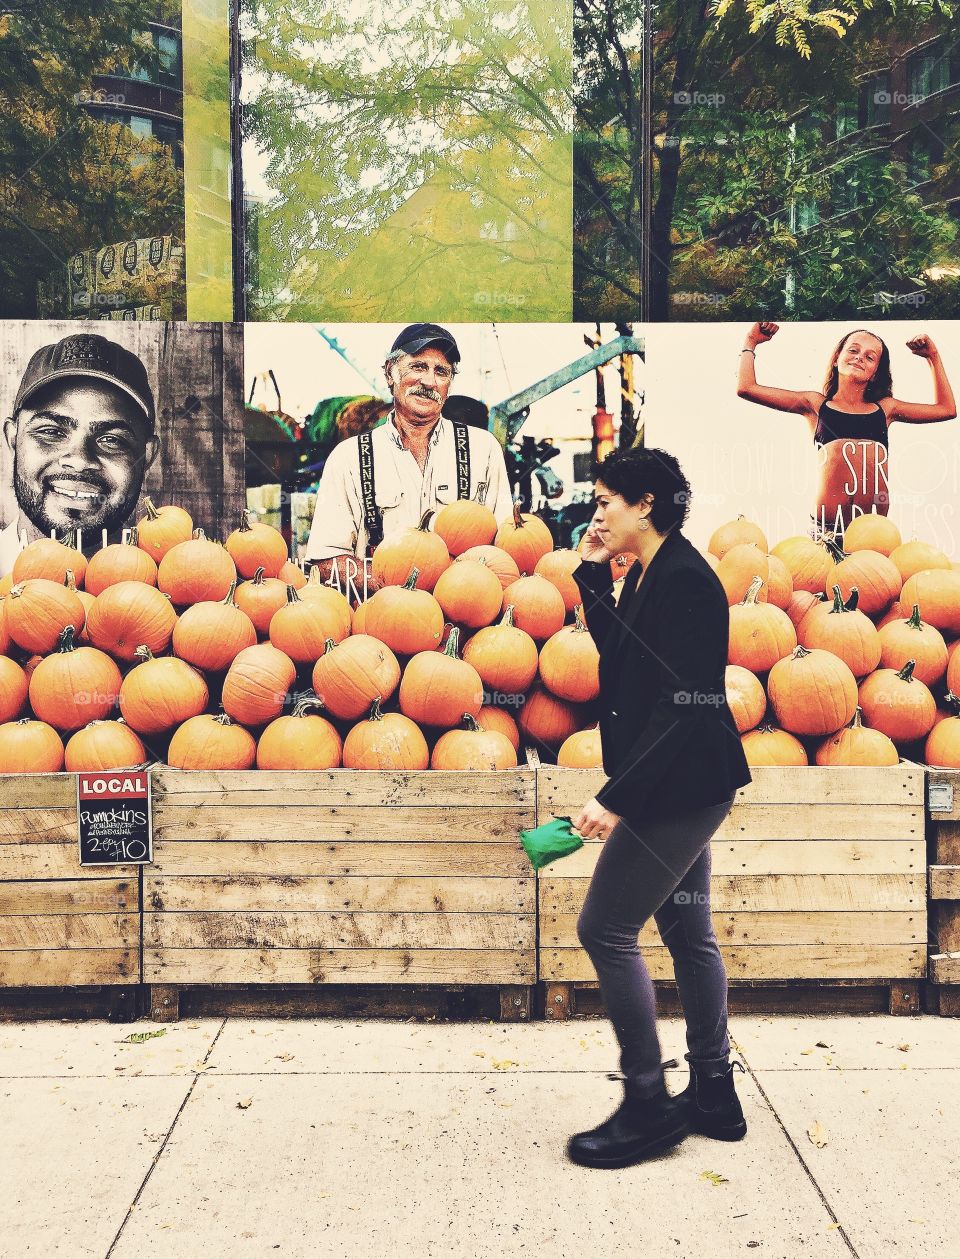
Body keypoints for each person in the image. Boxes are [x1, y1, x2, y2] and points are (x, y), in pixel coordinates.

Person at [566, 445, 753, 1170]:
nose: (598, 511)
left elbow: (683, 708)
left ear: (646, 503)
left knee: (605, 928)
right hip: (679, 781)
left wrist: (615, 797)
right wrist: (591, 577)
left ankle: (647, 1103)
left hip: (680, 784)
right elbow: (625, 656)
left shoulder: (688, 582)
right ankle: (714, 1093)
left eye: (607, 499)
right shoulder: (648, 570)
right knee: (688, 932)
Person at [304, 324, 513, 573]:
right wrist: (401, 587)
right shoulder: (349, 459)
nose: (429, 381)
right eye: (418, 366)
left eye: (441, 372)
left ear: (450, 385)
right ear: (390, 374)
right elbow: (326, 560)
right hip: (379, 606)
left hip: (464, 606)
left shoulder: (483, 449)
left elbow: (506, 546)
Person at [736, 323, 956, 534]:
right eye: (853, 350)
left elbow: (946, 410)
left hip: (874, 535)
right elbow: (746, 388)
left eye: (870, 357)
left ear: (875, 373)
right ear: (836, 359)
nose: (860, 357)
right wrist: (751, 341)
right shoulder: (815, 405)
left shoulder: (886, 409)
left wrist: (932, 357)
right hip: (826, 533)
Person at [1, 332, 159, 577]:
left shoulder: (187, 590)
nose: (79, 461)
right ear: (13, 437)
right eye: (51, 431)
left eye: (111, 439)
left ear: (147, 454)